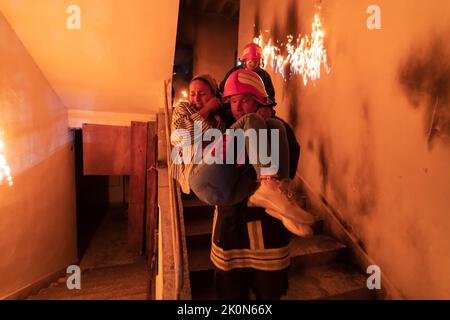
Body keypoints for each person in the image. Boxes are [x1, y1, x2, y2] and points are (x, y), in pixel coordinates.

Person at [219, 43, 276, 122]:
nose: (252, 64)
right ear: (244, 61)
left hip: (256, 115)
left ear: (260, 61)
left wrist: (267, 107)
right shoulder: (234, 73)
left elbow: (270, 96)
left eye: (255, 61)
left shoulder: (265, 76)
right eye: (250, 61)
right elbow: (223, 92)